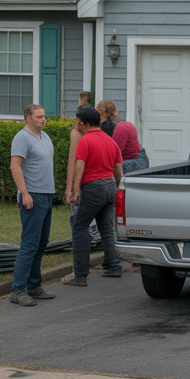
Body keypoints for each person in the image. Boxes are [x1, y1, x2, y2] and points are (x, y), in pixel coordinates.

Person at [62, 106, 123, 286]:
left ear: (82, 122)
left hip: (93, 187)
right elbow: (118, 169)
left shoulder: (86, 140)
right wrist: (117, 188)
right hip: (110, 186)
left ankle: (79, 275)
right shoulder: (110, 141)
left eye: (77, 122)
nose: (76, 125)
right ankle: (113, 265)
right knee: (106, 227)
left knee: (79, 225)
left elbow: (79, 166)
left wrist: (75, 190)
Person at [8, 103, 57, 306]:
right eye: (38, 117)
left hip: (47, 195)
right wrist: (25, 193)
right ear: (28, 118)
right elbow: (15, 166)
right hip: (33, 196)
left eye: (44, 116)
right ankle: (18, 291)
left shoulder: (44, 136)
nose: (43, 119)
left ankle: (34, 286)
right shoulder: (22, 138)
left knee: (41, 243)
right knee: (29, 245)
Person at [96, 99, 150, 174]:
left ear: (107, 114)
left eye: (100, 115)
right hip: (135, 158)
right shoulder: (115, 126)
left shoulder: (120, 128)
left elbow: (114, 154)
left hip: (134, 162)